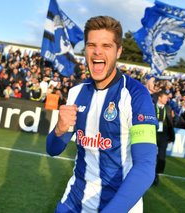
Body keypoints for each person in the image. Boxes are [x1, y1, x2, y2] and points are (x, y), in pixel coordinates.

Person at [46, 16, 158, 213]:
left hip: (120, 206)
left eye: (106, 45)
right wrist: (59, 130)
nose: (97, 51)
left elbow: (145, 167)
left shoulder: (136, 96)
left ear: (118, 51)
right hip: (74, 201)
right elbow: (53, 149)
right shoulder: (76, 92)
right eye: (91, 45)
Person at [153, 91, 175, 185]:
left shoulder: (168, 108)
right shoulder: (152, 106)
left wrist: (171, 137)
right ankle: (150, 174)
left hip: (164, 136)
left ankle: (157, 174)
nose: (167, 99)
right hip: (152, 134)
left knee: (162, 157)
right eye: (165, 98)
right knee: (151, 155)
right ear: (159, 98)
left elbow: (170, 123)